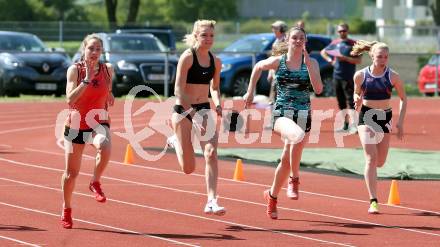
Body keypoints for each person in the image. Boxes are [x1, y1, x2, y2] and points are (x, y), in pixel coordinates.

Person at [244, 27, 323, 219]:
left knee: (286, 160)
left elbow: (319, 89)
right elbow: (257, 67)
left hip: (304, 115)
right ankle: (294, 180)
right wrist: (250, 91)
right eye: (294, 38)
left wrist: (309, 65)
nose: (297, 41)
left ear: (305, 41)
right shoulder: (278, 62)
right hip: (281, 114)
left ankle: (271, 196)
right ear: (287, 40)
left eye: (301, 38)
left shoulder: (311, 63)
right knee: (297, 137)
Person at [167, 20, 225, 216]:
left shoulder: (215, 61)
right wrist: (192, 113)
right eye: (204, 35)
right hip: (183, 110)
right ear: (195, 36)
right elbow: (178, 89)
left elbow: (214, 88)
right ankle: (176, 141)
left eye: (211, 36)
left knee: (210, 153)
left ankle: (212, 200)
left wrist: (217, 104)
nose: (208, 39)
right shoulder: (187, 57)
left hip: (203, 109)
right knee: (188, 168)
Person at [61, 34, 114, 228]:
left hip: (98, 122)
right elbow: (70, 100)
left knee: (105, 146)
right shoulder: (75, 70)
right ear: (84, 49)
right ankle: (66, 209)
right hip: (76, 125)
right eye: (91, 48)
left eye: (98, 49)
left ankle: (95, 181)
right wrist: (86, 80)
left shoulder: (108, 69)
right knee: (71, 174)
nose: (94, 52)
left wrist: (110, 95)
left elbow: (108, 89)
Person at [351, 40, 407, 214]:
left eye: (386, 56)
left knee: (380, 162)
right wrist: (356, 98)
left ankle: (372, 181)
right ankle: (373, 200)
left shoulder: (393, 76)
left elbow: (404, 98)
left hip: (385, 117)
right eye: (379, 56)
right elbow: (356, 91)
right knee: (371, 158)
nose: (383, 59)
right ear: (372, 56)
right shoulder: (360, 75)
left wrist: (400, 122)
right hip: (367, 115)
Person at [321, 23, 361, 132]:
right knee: (341, 102)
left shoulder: (353, 44)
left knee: (351, 101)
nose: (342, 33)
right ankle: (345, 124)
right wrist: (330, 60)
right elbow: (323, 52)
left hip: (348, 77)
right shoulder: (335, 43)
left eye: (344, 31)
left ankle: (355, 125)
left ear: (347, 31)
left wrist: (346, 58)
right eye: (340, 31)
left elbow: (359, 60)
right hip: (336, 76)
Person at [267, 20, 288, 104]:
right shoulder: (276, 41)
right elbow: (273, 56)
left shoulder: (286, 40)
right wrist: (270, 71)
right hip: (276, 70)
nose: (274, 30)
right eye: (273, 28)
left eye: (276, 28)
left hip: (284, 70)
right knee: (274, 90)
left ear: (282, 29)